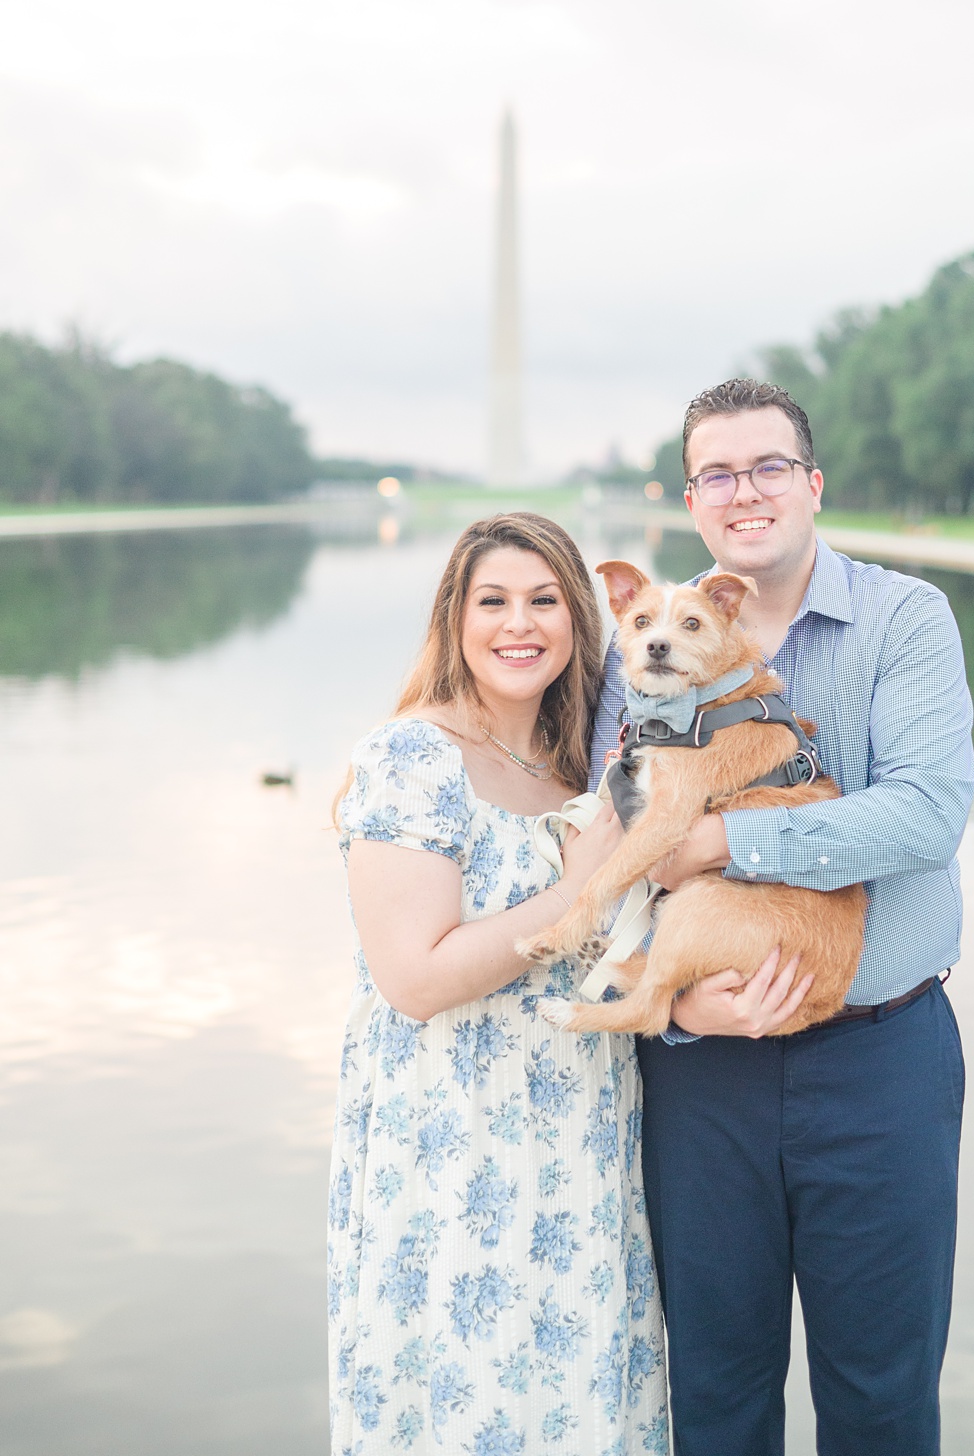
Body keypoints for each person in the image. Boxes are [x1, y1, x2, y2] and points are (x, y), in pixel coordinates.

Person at [605, 378, 974, 1456]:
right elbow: (606, 843)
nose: (746, 489)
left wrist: (725, 842)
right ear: (692, 500)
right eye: (718, 473)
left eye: (769, 465)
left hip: (880, 1057)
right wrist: (678, 1010)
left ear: (812, 484)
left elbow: (923, 816)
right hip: (703, 1071)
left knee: (880, 1397)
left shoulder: (905, 619)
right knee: (714, 1396)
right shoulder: (645, 646)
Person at [329, 512, 667, 1454]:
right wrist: (576, 888)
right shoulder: (410, 760)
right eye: (494, 601)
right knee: (470, 1404)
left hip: (584, 1143)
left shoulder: (578, 768)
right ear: (456, 617)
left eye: (544, 601)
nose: (519, 624)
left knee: (580, 1404)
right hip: (454, 1148)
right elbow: (416, 978)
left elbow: (628, 945)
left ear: (577, 622)